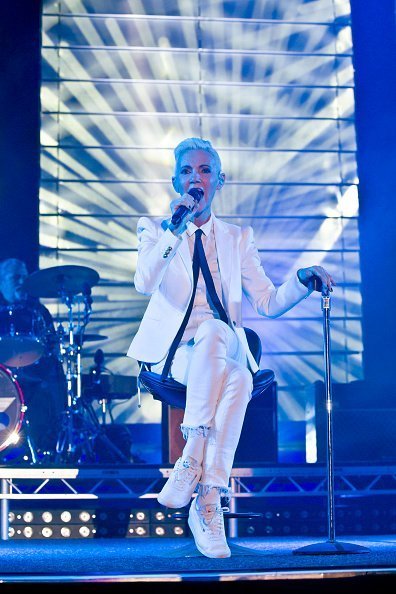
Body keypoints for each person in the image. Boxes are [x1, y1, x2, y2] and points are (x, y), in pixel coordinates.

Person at [126, 138, 335, 558]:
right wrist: (175, 229)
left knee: (224, 343)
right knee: (235, 371)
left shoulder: (238, 238)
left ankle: (198, 479)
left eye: (204, 170)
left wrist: (302, 279)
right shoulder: (156, 229)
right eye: (187, 171)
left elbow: (269, 302)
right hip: (177, 357)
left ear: (219, 180)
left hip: (221, 350)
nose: (195, 178)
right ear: (175, 180)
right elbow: (145, 282)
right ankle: (206, 492)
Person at [0, 258, 67, 462]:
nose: (22, 281)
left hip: (35, 375)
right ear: (2, 282)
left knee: (55, 374)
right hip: (3, 376)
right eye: (15, 277)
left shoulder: (38, 311)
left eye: (24, 277)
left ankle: (49, 448)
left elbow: (50, 347)